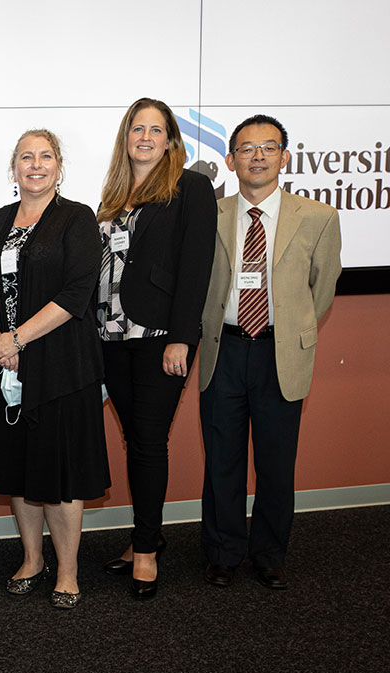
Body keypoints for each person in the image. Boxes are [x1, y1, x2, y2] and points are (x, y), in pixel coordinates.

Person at [198, 114, 342, 590]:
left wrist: (290, 326)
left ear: (284, 156)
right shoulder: (211, 215)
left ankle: (269, 553)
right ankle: (223, 551)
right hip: (224, 351)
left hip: (280, 353)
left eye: (268, 146)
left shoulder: (318, 217)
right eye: (246, 147)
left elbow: (321, 288)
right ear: (230, 158)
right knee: (222, 459)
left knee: (277, 463)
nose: (257, 155)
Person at [0, 130, 109, 609]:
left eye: (45, 156)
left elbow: (76, 294)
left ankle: (68, 569)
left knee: (61, 471)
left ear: (59, 165)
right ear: (14, 167)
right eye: (26, 157)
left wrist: (17, 338)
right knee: (18, 468)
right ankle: (32, 559)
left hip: (61, 368)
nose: (35, 165)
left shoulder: (76, 218)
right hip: (4, 364)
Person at [96, 98, 216, 599]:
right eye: (136, 128)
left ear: (170, 139)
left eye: (156, 129)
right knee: (135, 440)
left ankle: (146, 549)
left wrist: (183, 337)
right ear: (126, 137)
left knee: (149, 442)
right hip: (108, 336)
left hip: (158, 337)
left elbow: (196, 266)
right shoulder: (113, 194)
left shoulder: (190, 187)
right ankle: (147, 534)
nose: (145, 136)